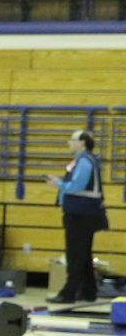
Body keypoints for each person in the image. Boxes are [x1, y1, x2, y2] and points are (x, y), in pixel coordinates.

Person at [46, 129, 107, 304]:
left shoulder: (85, 162)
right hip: (81, 213)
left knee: (74, 254)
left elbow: (77, 185)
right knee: (83, 253)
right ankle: (88, 291)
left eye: (72, 139)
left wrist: (57, 184)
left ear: (82, 143)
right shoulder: (81, 161)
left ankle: (69, 292)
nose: (68, 142)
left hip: (82, 214)